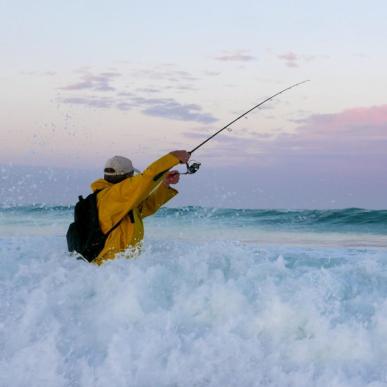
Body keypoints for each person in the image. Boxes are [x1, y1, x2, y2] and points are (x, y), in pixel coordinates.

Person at [90, 150, 190, 265]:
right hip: (109, 268)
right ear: (127, 177)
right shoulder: (113, 196)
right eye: (132, 177)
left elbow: (147, 207)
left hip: (119, 269)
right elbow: (147, 178)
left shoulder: (120, 202)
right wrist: (173, 157)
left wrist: (165, 184)